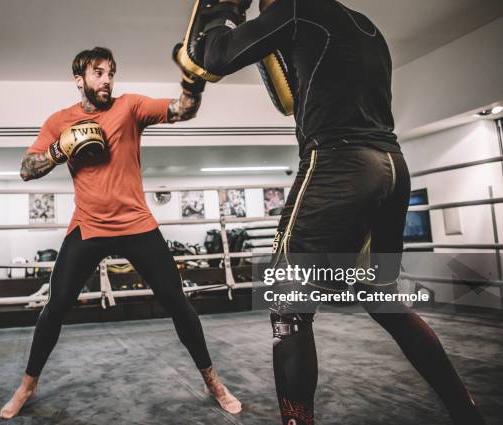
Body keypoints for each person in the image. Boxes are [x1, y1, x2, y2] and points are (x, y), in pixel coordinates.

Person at [174, 1, 486, 424]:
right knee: (384, 298)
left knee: (288, 301)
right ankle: (465, 411)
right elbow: (295, 93)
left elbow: (214, 57)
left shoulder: (297, 9)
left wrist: (223, 12)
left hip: (338, 164)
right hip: (392, 167)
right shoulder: (364, 25)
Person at [0, 46, 241, 419]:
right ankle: (28, 385)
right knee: (55, 307)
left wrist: (193, 83)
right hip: (88, 227)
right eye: (98, 73)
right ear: (79, 79)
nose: (107, 80)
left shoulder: (130, 107)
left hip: (137, 225)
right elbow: (26, 169)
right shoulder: (59, 120)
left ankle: (213, 381)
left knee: (178, 303)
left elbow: (182, 109)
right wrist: (58, 150)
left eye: (111, 72)